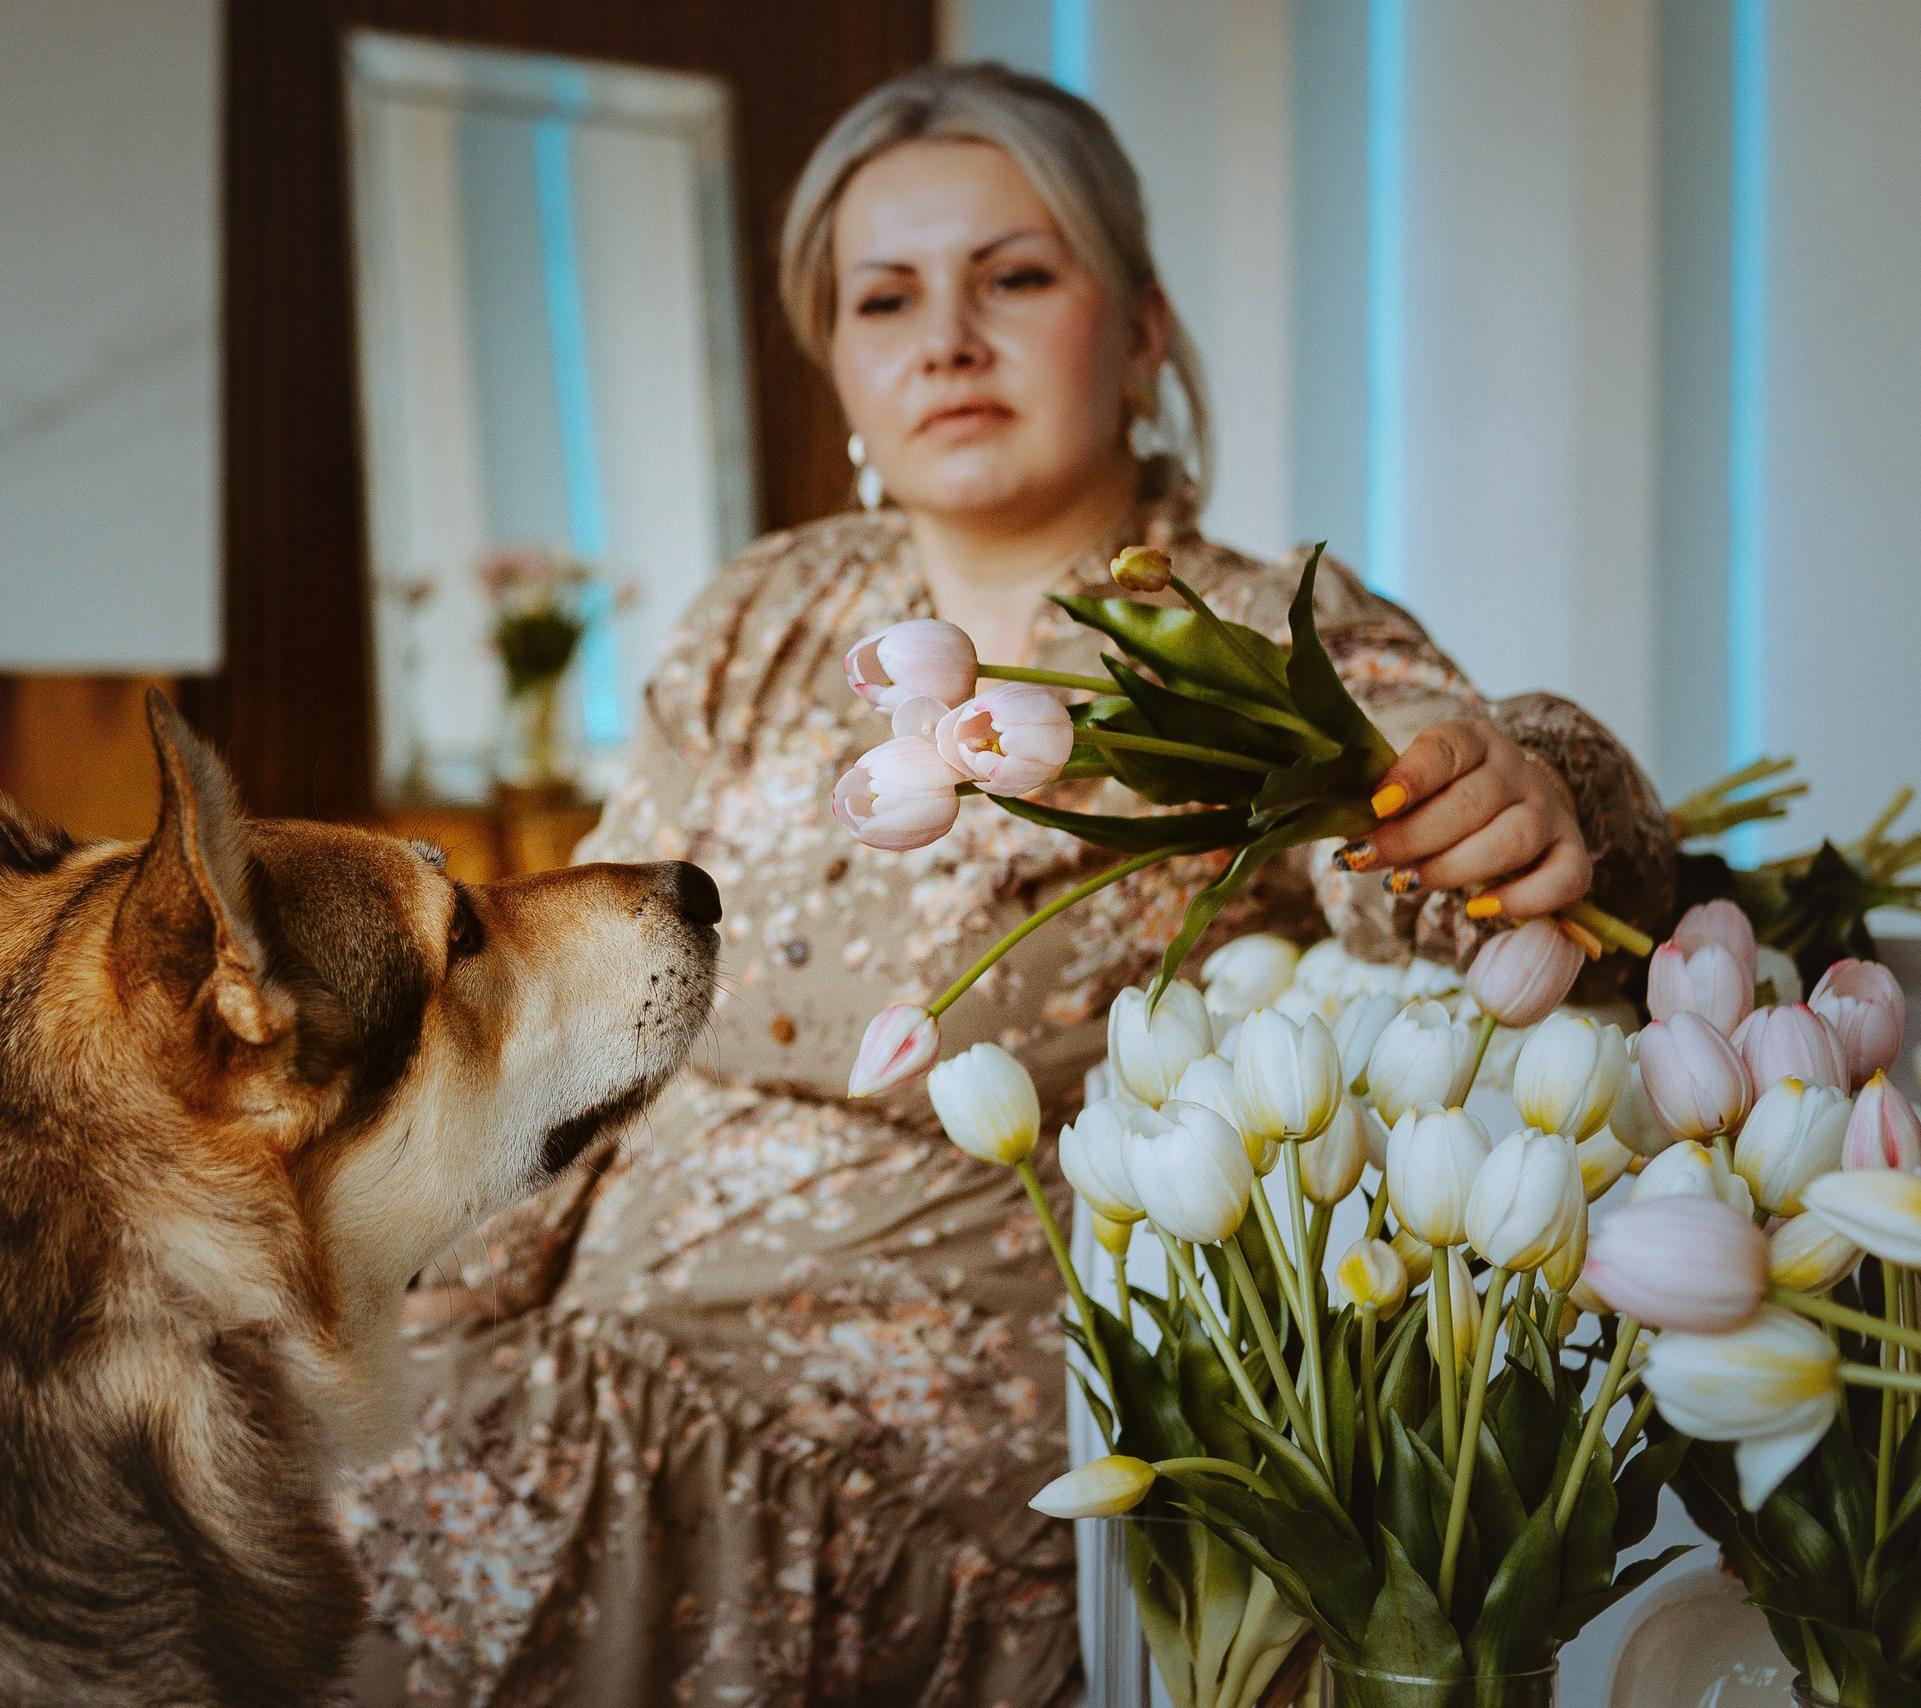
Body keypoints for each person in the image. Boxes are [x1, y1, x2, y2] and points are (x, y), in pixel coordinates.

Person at [340, 62, 1674, 1707]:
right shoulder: (762, 616)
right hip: (582, 1364)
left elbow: (1448, 803)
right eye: (885, 297)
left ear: (1145, 331)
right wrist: (416, 1318)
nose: (947, 340)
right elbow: (575, 1030)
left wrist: (1516, 784)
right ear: (837, 357)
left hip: (908, 1471)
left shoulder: (1254, 642)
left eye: (1017, 278)